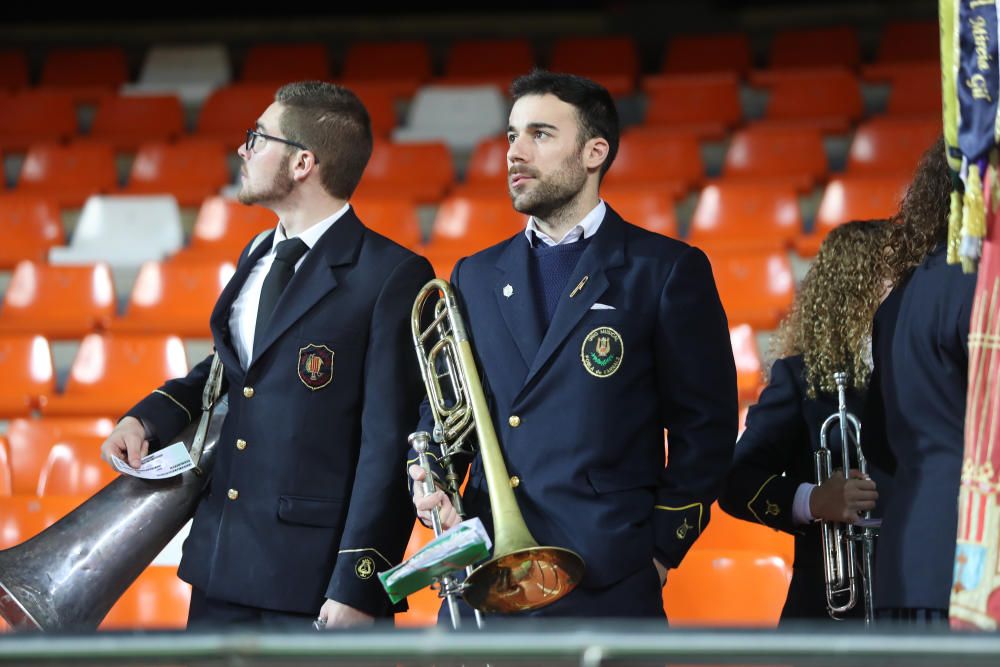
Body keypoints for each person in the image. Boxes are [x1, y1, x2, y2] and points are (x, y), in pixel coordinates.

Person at [99, 81, 434, 629]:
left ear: (304, 162)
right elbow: (234, 371)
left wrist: (360, 584)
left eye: (256, 137)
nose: (243, 149)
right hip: (220, 565)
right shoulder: (257, 250)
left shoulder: (392, 274)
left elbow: (387, 443)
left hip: (315, 584)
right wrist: (147, 416)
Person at [408, 70, 738, 619]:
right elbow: (449, 413)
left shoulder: (666, 270)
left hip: (608, 577)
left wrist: (658, 550)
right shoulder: (473, 274)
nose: (514, 152)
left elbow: (706, 428)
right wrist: (430, 473)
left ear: (594, 152)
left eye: (539, 134)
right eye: (511, 135)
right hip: (491, 576)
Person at [718, 219, 896, 623]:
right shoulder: (800, 378)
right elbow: (735, 480)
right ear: (857, 288)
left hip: (914, 593)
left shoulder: (928, 373)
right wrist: (813, 500)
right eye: (893, 279)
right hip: (832, 612)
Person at [865, 138, 978, 623]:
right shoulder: (982, 288)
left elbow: (878, 441)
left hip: (905, 560)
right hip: (973, 558)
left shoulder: (898, 298)